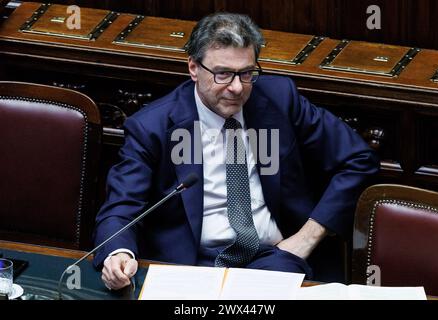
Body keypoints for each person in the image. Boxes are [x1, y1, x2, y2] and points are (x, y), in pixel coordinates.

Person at [93, 12, 379, 290]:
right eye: (223, 74)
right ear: (193, 67)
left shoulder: (280, 99)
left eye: (246, 73)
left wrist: (306, 238)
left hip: (273, 259)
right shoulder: (153, 127)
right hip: (190, 267)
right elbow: (120, 208)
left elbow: (359, 160)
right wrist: (118, 253)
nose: (236, 87)